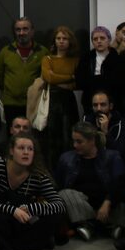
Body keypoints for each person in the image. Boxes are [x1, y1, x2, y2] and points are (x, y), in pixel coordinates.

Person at [0, 133, 66, 250]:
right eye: (21, 148)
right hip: (3, 214)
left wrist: (31, 209)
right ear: (12, 151)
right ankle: (33, 243)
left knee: (53, 218)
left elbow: (59, 205)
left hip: (24, 219)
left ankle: (4, 243)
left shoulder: (38, 175)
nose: (26, 152)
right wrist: (13, 210)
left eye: (30, 149)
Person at [55, 123, 125, 242]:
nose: (75, 145)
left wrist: (108, 202)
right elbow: (58, 185)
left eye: (79, 142)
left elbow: (120, 182)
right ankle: (90, 224)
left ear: (92, 141)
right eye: (74, 141)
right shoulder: (66, 159)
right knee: (65, 193)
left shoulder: (112, 157)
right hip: (82, 207)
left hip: (108, 206)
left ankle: (106, 225)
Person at [0, 18, 48, 129]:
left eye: (25, 29)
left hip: (34, 103)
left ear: (32, 31)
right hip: (11, 103)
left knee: (32, 136)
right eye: (18, 30)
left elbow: (46, 77)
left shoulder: (42, 51)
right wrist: (10, 89)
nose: (21, 33)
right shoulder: (6, 51)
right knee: (13, 137)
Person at [40, 25, 80, 169]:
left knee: (69, 136)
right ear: (54, 41)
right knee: (52, 137)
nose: (61, 41)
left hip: (68, 101)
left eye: (65, 38)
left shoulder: (75, 60)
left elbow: (77, 83)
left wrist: (66, 82)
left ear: (70, 41)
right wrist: (70, 77)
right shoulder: (48, 58)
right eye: (58, 38)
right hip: (52, 101)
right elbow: (48, 77)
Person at [76, 26, 125, 116]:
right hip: (90, 102)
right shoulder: (86, 58)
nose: (99, 41)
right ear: (92, 42)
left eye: (102, 38)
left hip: (113, 102)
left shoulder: (117, 57)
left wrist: (96, 79)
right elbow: (80, 81)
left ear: (109, 40)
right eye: (95, 39)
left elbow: (120, 81)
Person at [86, 90, 125, 160]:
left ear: (111, 106)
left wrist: (106, 133)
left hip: (112, 162)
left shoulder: (121, 124)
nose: (99, 109)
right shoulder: (87, 121)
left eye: (103, 104)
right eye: (95, 105)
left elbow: (120, 153)